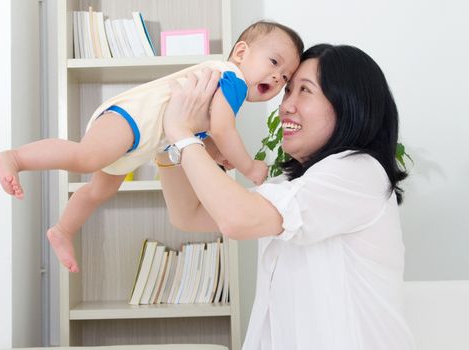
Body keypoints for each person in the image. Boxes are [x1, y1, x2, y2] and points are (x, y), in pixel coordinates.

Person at [0, 21, 303, 273]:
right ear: (241, 52)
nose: (276, 76)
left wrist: (217, 152)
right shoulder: (232, 77)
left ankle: (63, 230)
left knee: (99, 191)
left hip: (139, 141)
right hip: (132, 119)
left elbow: (204, 130)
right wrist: (249, 166)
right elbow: (222, 127)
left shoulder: (227, 86)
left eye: (284, 76)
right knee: (85, 157)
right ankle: (14, 157)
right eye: (273, 62)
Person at [157, 44, 415, 349]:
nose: (286, 106)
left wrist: (183, 134)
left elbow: (236, 219)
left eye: (305, 91)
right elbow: (188, 214)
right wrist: (169, 143)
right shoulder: (296, 184)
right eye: (288, 91)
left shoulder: (359, 171)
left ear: (349, 105)